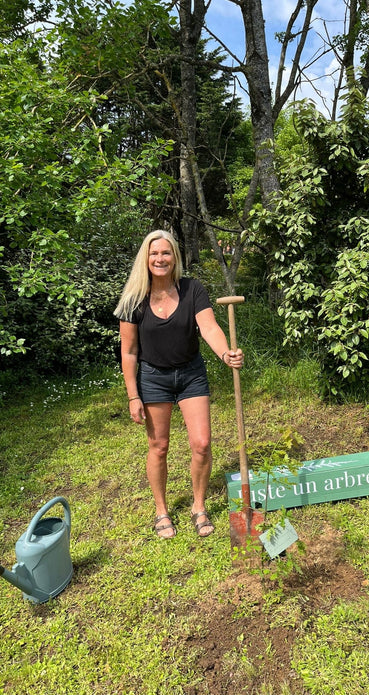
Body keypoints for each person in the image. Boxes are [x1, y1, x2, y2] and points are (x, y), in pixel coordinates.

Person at [114, 230, 244, 539]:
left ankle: (199, 506)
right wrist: (133, 396)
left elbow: (209, 327)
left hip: (191, 375)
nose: (160, 259)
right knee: (159, 447)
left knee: (201, 444)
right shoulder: (133, 298)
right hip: (153, 379)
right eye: (154, 253)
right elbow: (129, 351)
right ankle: (161, 511)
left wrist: (225, 353)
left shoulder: (192, 289)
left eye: (166, 253)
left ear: (175, 258)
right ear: (146, 258)